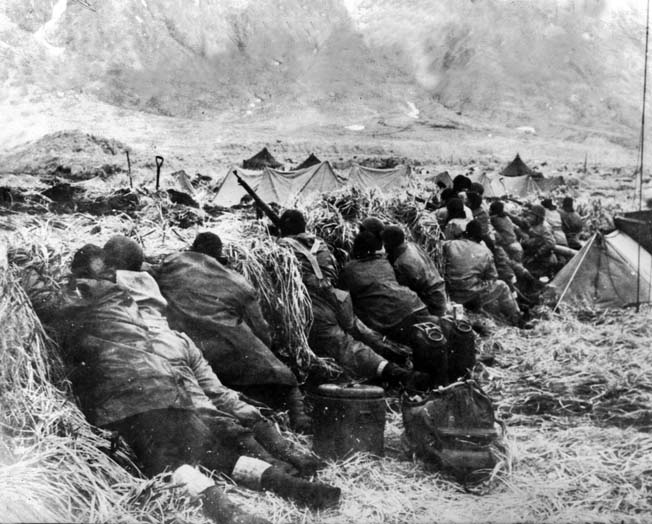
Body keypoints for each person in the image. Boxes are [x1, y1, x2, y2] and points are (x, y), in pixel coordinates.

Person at [60, 238, 340, 512]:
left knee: (172, 468)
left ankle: (232, 515)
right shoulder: (145, 280)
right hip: (173, 349)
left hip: (146, 367)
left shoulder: (94, 292)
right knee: (218, 439)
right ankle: (289, 478)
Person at [153, 232, 309, 432]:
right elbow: (261, 329)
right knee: (286, 378)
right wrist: (266, 350)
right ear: (218, 255)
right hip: (231, 352)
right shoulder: (237, 281)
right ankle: (300, 421)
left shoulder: (170, 265)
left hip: (189, 352)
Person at [276, 210, 419, 385]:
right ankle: (397, 353)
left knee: (343, 344)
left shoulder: (282, 248)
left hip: (315, 303)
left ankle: (393, 371)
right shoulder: (319, 244)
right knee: (360, 330)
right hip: (337, 296)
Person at [340, 231, 476, 387]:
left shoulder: (349, 270)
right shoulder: (385, 262)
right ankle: (457, 375)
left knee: (425, 338)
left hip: (392, 319)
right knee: (437, 330)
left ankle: (429, 381)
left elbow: (344, 300)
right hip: (415, 305)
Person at [442, 221, 522, 326]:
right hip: (471, 296)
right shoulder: (486, 252)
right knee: (502, 286)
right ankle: (517, 319)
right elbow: (493, 277)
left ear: (465, 233)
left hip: (451, 294)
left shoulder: (449, 244)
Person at [381, 225, 447, 317]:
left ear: (389, 244)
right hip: (439, 292)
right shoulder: (412, 246)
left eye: (385, 244)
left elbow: (404, 293)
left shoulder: (403, 263)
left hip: (431, 303)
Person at [519, 205, 558, 278]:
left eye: (532, 216)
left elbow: (550, 244)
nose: (530, 218)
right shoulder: (534, 225)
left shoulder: (545, 227)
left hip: (543, 260)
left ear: (538, 217)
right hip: (533, 257)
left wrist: (536, 255)